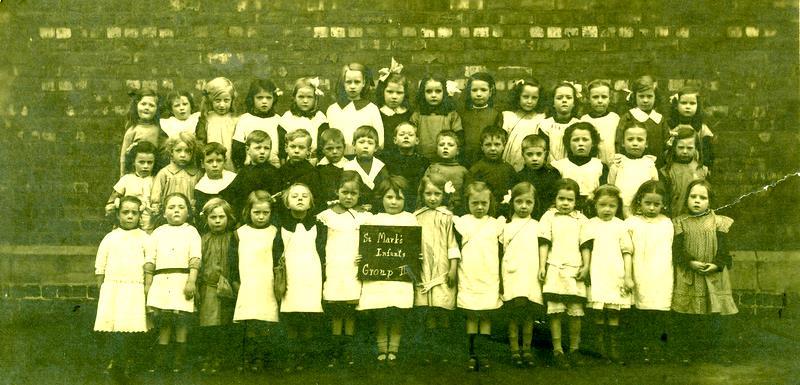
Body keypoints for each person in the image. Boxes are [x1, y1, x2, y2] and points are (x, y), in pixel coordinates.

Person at [671, 180, 737, 362]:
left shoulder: (720, 222)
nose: (697, 201)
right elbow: (677, 250)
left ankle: (717, 352)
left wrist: (716, 264)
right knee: (690, 316)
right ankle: (689, 352)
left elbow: (724, 250)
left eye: (702, 197)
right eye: (693, 197)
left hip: (714, 275)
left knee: (715, 316)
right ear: (687, 200)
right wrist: (690, 262)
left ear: (710, 201)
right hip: (689, 274)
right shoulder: (679, 223)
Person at [357, 176, 417, 364]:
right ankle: (382, 347)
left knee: (397, 311)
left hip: (400, 277)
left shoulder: (410, 219)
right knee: (381, 311)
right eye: (389, 197)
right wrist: (361, 256)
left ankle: (394, 349)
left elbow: (414, 246)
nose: (394, 202)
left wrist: (417, 256)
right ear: (381, 198)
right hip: (379, 278)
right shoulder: (373, 220)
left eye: (399, 198)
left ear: (405, 200)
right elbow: (366, 245)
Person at [316, 171, 371, 367]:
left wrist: (365, 256)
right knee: (337, 308)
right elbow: (320, 242)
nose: (348, 197)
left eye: (353, 193)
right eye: (344, 192)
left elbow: (369, 243)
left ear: (359, 195)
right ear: (337, 191)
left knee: (349, 308)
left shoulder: (364, 216)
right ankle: (335, 349)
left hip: (352, 267)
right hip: (335, 265)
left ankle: (348, 350)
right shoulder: (327, 215)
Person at [144, 192, 201, 373]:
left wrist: (191, 280)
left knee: (181, 321)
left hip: (181, 280)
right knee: (164, 321)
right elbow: (150, 259)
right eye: (171, 207)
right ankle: (161, 361)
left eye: (181, 207)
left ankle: (178, 361)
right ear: (163, 212)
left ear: (188, 212)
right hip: (161, 281)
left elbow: (195, 257)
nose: (176, 210)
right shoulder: (158, 232)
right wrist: (148, 283)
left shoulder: (191, 231)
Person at [537, 178, 591, 369]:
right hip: (555, 268)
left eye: (570, 199)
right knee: (556, 311)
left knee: (576, 312)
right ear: (555, 199)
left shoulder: (581, 219)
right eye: (561, 199)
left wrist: (586, 266)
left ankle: (574, 349)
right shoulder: (548, 217)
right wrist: (542, 266)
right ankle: (558, 349)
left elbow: (585, 245)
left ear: (576, 201)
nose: (565, 203)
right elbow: (544, 242)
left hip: (575, 269)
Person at [94, 196, 149, 378]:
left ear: (140, 216)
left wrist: (147, 286)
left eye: (134, 213)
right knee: (114, 326)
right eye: (125, 212)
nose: (130, 217)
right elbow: (100, 263)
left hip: (134, 288)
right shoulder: (110, 237)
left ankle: (129, 361)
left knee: (131, 326)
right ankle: (115, 360)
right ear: (118, 214)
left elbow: (150, 262)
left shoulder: (145, 238)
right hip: (113, 288)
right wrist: (101, 286)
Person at [274, 183, 327, 372]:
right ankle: (291, 355)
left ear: (311, 202)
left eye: (305, 196)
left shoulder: (318, 226)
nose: (300, 199)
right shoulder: (280, 225)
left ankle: (306, 358)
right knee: (291, 314)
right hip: (291, 276)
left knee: (309, 314)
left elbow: (322, 251)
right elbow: (276, 254)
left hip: (311, 276)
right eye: (295, 196)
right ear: (287, 203)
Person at [454, 181, 503, 371]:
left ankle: (484, 354)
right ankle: (472, 354)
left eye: (484, 203)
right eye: (475, 203)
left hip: (489, 275)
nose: (480, 207)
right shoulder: (463, 222)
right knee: (473, 315)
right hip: (469, 274)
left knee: (486, 315)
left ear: (490, 202)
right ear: (467, 203)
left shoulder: (496, 224)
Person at [413, 173, 460, 363]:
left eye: (437, 194)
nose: (432, 198)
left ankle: (443, 351)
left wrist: (453, 268)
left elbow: (452, 244)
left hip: (443, 269)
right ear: (422, 194)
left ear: (443, 196)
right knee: (428, 310)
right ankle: (429, 351)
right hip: (423, 269)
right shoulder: (416, 217)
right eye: (428, 194)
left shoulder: (447, 217)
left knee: (442, 308)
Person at [584, 185, 633, 364]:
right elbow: (586, 248)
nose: (607, 209)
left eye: (611, 206)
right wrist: (587, 268)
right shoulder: (590, 224)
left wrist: (628, 276)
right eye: (602, 205)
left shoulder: (621, 226)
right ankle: (600, 350)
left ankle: (614, 349)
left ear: (617, 207)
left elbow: (627, 251)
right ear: (595, 205)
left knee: (613, 310)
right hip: (598, 272)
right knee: (598, 310)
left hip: (615, 272)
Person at [626, 180, 674, 362]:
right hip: (640, 271)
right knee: (642, 312)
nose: (652, 208)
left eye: (657, 204)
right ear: (639, 201)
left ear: (663, 204)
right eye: (648, 203)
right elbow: (627, 249)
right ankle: (642, 349)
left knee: (660, 312)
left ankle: (659, 349)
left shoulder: (667, 223)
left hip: (661, 273)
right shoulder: (631, 223)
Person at [233, 191, 280, 372]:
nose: (261, 217)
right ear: (248, 211)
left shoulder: (274, 232)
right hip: (248, 283)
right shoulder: (240, 233)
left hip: (267, 283)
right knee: (250, 321)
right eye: (256, 213)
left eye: (265, 213)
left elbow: (277, 259)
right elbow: (233, 261)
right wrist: (236, 282)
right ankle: (249, 357)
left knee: (266, 320)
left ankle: (262, 358)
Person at [499, 182, 543, 367]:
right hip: (512, 272)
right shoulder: (505, 226)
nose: (524, 206)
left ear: (534, 204)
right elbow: (502, 251)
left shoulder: (538, 225)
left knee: (528, 314)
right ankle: (514, 349)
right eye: (519, 202)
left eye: (528, 202)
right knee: (514, 313)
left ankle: (527, 348)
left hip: (530, 272)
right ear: (512, 203)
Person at [196, 198, 239, 374]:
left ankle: (223, 359)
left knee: (226, 324)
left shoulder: (234, 238)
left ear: (228, 218)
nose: (217, 220)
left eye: (221, 217)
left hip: (229, 287)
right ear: (206, 220)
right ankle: (209, 357)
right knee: (209, 325)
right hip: (209, 288)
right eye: (213, 217)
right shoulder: (203, 239)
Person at [326, 62, 384, 155]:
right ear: (343, 83)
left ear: (364, 83)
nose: (352, 86)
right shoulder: (333, 109)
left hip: (363, 158)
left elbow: (380, 142)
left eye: (357, 82)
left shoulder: (371, 109)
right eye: (348, 82)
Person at [550, 122, 608, 208]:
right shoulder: (558, 166)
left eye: (585, 139)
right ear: (568, 143)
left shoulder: (600, 166)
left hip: (592, 209)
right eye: (575, 140)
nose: (580, 143)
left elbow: (603, 193)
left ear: (593, 143)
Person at [221, 130, 280, 213]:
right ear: (248, 150)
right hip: (246, 212)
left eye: (266, 148)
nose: (262, 152)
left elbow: (276, 197)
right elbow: (231, 193)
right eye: (258, 148)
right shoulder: (244, 172)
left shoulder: (273, 172)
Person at [615, 75, 669, 165]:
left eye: (649, 96)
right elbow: (619, 141)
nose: (645, 100)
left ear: (655, 97)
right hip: (632, 163)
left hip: (657, 164)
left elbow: (666, 142)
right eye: (641, 96)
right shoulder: (629, 117)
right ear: (635, 96)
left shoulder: (659, 119)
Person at [609, 123, 659, 217]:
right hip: (621, 210)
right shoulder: (618, 163)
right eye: (630, 139)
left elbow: (655, 187)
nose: (635, 143)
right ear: (623, 143)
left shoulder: (649, 164)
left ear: (646, 143)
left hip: (644, 210)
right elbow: (611, 187)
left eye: (640, 140)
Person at [231, 79, 283, 169]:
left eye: (268, 97)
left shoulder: (278, 120)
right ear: (252, 99)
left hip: (273, 167)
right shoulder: (244, 119)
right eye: (259, 97)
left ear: (274, 99)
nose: (264, 101)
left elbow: (282, 147)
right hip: (251, 167)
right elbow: (237, 147)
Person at [660, 126, 708, 218]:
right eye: (681, 147)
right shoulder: (667, 171)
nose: (685, 151)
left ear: (696, 148)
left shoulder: (701, 170)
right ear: (674, 147)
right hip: (675, 216)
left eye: (689, 148)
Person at [410, 74, 462, 160]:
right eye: (429, 91)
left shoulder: (451, 115)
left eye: (438, 91)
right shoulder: (417, 115)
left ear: (444, 92)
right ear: (423, 93)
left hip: (445, 158)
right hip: (422, 157)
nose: (433, 95)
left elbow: (458, 137)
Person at [381, 121, 430, 211]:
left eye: (410, 135)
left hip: (415, 201)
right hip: (394, 199)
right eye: (402, 134)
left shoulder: (423, 161)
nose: (406, 137)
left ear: (417, 140)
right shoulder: (388, 160)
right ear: (395, 140)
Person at [501, 78, 547, 171]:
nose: (529, 101)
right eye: (525, 97)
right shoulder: (508, 116)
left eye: (534, 98)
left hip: (532, 160)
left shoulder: (541, 118)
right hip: (510, 159)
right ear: (518, 96)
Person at [150, 132, 202, 213]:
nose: (183, 155)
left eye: (188, 151)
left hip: (190, 214)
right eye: (178, 150)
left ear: (193, 153)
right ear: (171, 152)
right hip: (169, 215)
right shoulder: (164, 173)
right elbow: (156, 197)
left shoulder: (197, 174)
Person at [281, 77, 329, 164]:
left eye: (309, 97)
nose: (305, 101)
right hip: (291, 163)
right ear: (294, 97)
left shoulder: (320, 118)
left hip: (313, 162)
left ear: (315, 98)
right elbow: (282, 148)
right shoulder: (287, 117)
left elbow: (323, 147)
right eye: (301, 97)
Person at [513, 134, 561, 219]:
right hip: (527, 216)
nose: (534, 158)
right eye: (530, 154)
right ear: (523, 154)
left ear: (545, 154)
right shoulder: (519, 177)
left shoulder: (553, 173)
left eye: (539, 154)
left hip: (549, 216)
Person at [196, 77, 238, 171]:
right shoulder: (206, 119)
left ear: (232, 100)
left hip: (231, 163)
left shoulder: (235, 120)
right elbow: (200, 143)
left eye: (226, 100)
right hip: (212, 163)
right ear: (211, 101)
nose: (222, 105)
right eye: (217, 100)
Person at [423, 130, 471, 214]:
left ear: (458, 151)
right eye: (441, 145)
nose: (445, 147)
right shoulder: (432, 168)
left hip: (457, 211)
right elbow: (424, 189)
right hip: (435, 209)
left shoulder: (463, 171)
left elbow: (467, 194)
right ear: (437, 149)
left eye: (450, 145)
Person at [667, 86, 714, 169]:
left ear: (698, 105)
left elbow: (707, 151)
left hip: (695, 168)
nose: (688, 106)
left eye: (692, 103)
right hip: (673, 167)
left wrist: (706, 165)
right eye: (683, 103)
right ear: (676, 105)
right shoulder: (670, 126)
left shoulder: (702, 128)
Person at [460, 72, 502, 165]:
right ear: (469, 92)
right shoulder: (464, 114)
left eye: (483, 90)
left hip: (488, 158)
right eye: (474, 90)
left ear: (490, 92)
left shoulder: (495, 114)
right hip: (467, 158)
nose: (479, 94)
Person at [105, 141, 156, 217]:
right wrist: (112, 206)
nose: (146, 166)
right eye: (141, 162)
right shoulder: (127, 179)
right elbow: (111, 201)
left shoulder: (156, 180)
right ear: (133, 162)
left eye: (149, 162)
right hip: (129, 219)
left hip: (149, 221)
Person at [119, 88, 163, 176]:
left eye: (151, 105)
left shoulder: (160, 129)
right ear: (136, 105)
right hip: (136, 174)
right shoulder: (132, 130)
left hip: (155, 173)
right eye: (143, 104)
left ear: (157, 109)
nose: (147, 108)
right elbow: (123, 157)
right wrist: (122, 175)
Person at [469, 126, 516, 206]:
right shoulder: (476, 169)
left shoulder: (509, 169)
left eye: (497, 144)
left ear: (503, 146)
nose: (493, 148)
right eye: (488, 145)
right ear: (482, 147)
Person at [342, 125, 390, 201]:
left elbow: (385, 189)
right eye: (361, 142)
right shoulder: (348, 166)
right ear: (354, 145)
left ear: (376, 148)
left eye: (370, 143)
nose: (365, 146)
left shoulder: (380, 166)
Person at [375, 59, 413, 153]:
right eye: (390, 92)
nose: (394, 97)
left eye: (399, 93)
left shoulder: (409, 114)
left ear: (405, 94)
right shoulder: (377, 113)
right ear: (382, 91)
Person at [537, 82, 581, 162]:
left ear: (574, 103)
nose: (564, 100)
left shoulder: (579, 125)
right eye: (559, 98)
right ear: (553, 102)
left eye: (568, 97)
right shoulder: (545, 125)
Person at [580, 80, 620, 165]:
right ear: (589, 99)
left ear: (610, 98)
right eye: (595, 97)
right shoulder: (585, 120)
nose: (600, 101)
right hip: (592, 165)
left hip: (613, 163)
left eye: (604, 97)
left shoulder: (614, 118)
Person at [194, 142, 237, 215]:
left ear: (225, 161)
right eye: (209, 161)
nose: (215, 165)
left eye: (219, 161)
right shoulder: (200, 187)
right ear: (202, 164)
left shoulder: (233, 179)